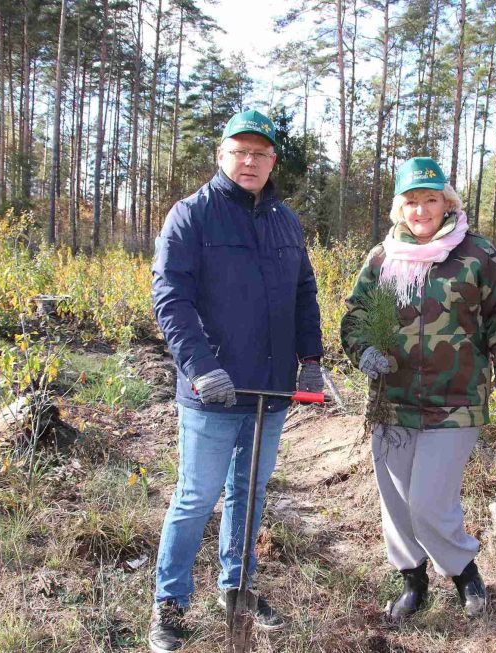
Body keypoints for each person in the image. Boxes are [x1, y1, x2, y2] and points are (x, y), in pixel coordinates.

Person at [149, 110, 324, 653]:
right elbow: (170, 298)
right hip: (212, 393)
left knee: (249, 494)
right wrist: (202, 367)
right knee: (196, 495)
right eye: (240, 151)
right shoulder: (191, 216)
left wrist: (311, 358)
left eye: (261, 153)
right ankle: (170, 603)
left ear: (274, 161)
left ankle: (238, 588)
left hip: (270, 392)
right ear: (221, 155)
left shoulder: (285, 220)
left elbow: (304, 293)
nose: (250, 162)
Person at [341, 157, 496, 621]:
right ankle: (413, 581)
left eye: (430, 200)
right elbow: (355, 317)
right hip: (392, 401)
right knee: (396, 501)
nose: (421, 210)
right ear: (398, 209)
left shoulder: (475, 255)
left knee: (428, 501)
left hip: (457, 403)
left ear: (448, 203)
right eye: (411, 202)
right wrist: (362, 350)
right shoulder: (382, 258)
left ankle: (465, 571)